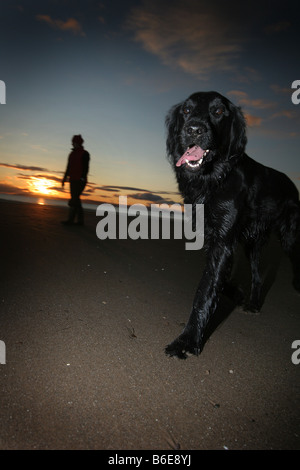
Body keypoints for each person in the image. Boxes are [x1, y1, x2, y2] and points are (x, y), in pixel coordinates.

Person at [61, 134, 90, 225]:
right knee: (76, 199)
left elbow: (86, 167)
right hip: (72, 180)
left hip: (80, 180)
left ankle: (71, 220)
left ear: (78, 143)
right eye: (72, 142)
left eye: (73, 142)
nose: (72, 143)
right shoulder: (72, 154)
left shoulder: (85, 153)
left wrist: (82, 177)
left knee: (74, 199)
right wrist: (64, 178)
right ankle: (80, 221)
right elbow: (68, 167)